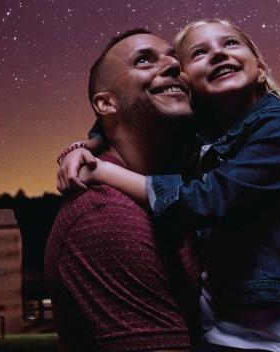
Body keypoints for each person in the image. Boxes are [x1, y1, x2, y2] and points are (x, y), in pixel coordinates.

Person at [59, 19, 280, 352]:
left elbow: (205, 200)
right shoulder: (202, 136)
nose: (217, 54)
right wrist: (88, 144)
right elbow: (126, 107)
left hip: (274, 329)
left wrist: (98, 169)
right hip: (223, 320)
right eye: (199, 53)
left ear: (260, 70)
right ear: (189, 85)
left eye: (230, 44)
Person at [45, 29, 211, 351]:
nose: (175, 66)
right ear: (106, 103)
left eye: (174, 58)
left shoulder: (185, 189)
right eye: (144, 60)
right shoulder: (106, 218)